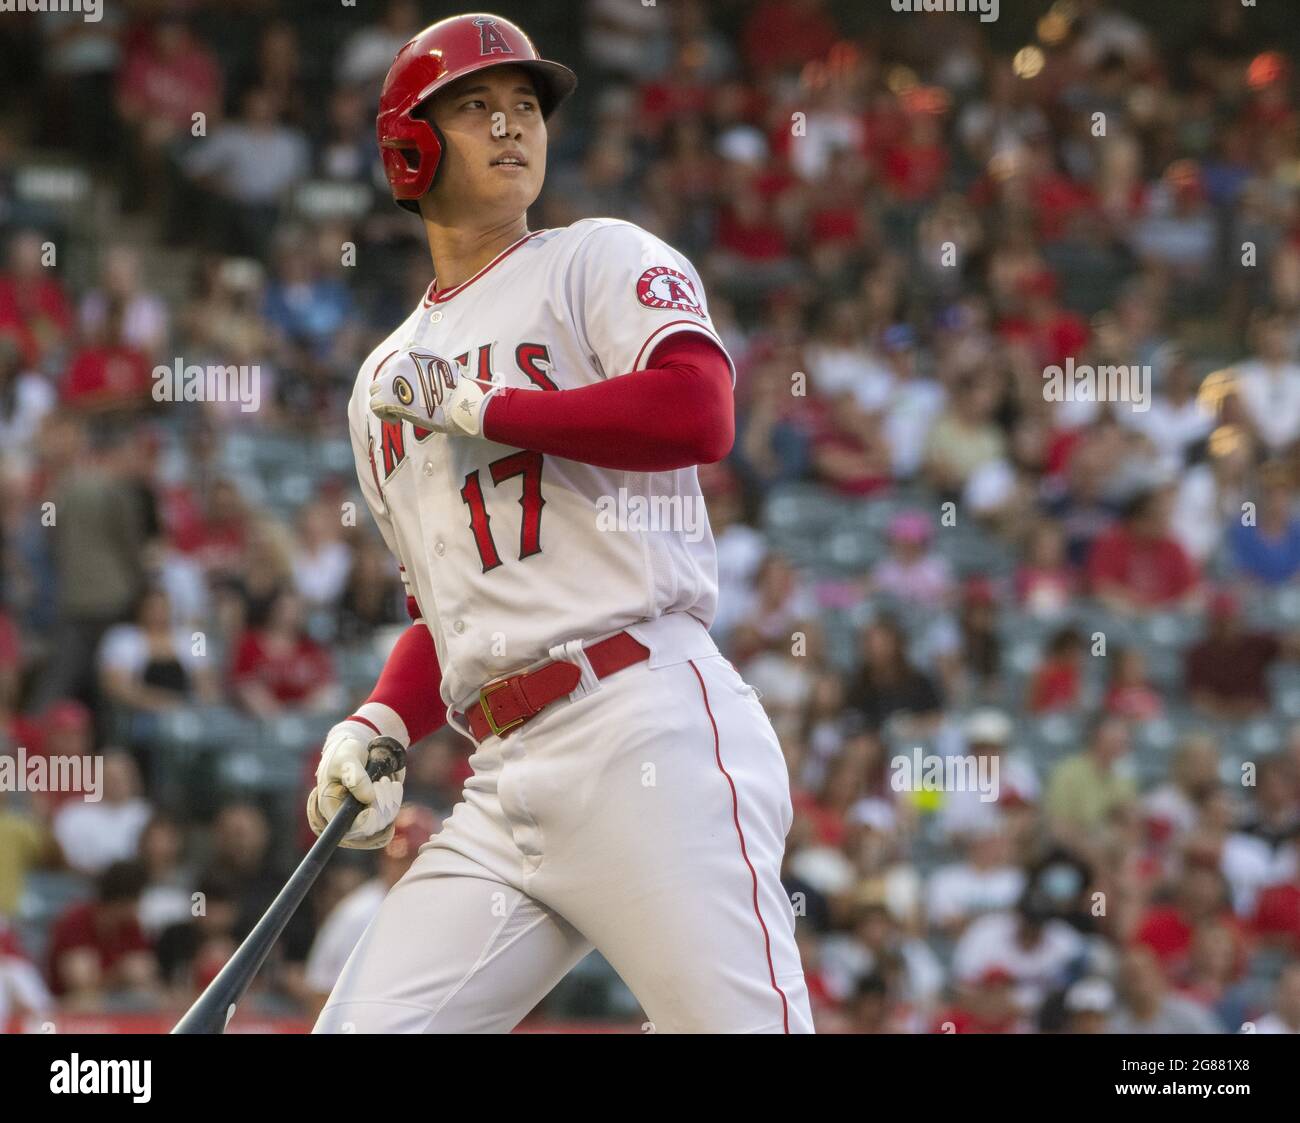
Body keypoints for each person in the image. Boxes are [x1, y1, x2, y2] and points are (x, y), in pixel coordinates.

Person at [307, 14, 811, 1034]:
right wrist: (380, 718)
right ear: (410, 146)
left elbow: (698, 412)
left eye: (526, 105)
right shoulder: (380, 383)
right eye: (477, 106)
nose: (510, 124)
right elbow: (439, 609)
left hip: (642, 719)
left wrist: (482, 407)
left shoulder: (596, 259)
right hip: (504, 774)